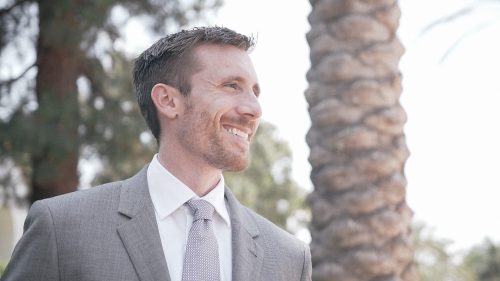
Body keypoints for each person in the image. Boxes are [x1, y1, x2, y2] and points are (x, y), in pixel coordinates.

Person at [1, 26, 312, 281]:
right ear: (168, 100)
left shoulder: (288, 257)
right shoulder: (62, 228)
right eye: (232, 86)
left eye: (255, 92)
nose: (254, 109)